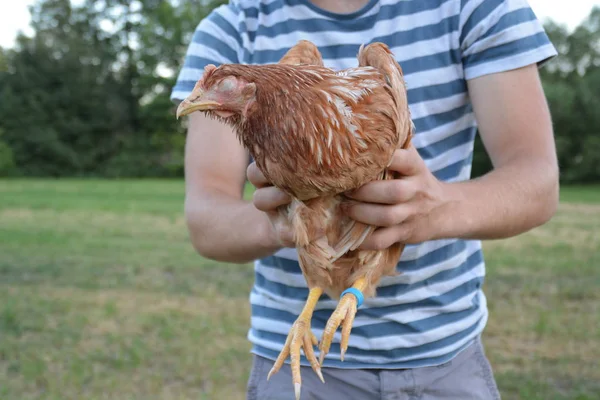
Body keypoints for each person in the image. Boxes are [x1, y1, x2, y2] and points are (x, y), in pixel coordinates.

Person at [171, 0, 559, 398]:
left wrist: (433, 208)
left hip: (443, 353)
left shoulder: (474, 8)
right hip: (293, 366)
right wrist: (288, 218)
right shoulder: (234, 26)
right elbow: (206, 223)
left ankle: (354, 288)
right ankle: (309, 314)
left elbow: (539, 184)